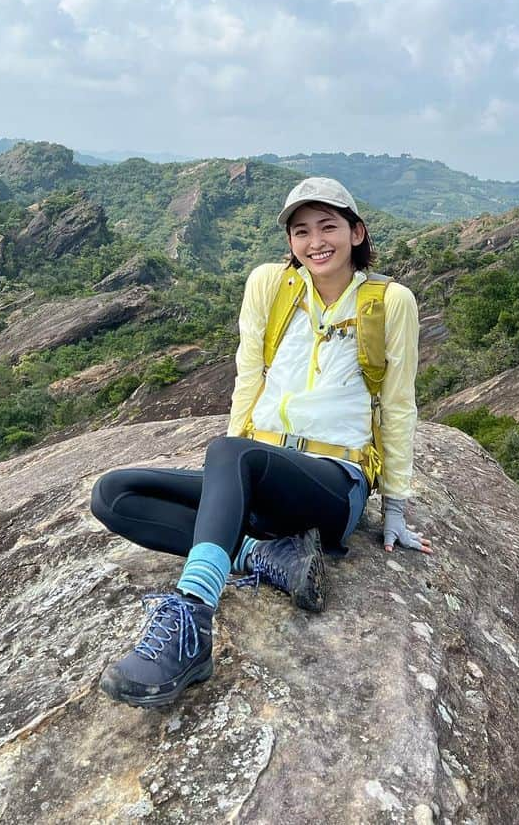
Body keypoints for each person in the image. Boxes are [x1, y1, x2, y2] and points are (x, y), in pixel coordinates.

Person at [90, 175, 431, 709]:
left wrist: (396, 509)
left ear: (357, 232)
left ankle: (192, 619)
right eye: (301, 231)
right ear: (290, 244)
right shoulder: (270, 286)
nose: (316, 241)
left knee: (232, 453)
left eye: (328, 227)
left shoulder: (390, 302)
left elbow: (399, 402)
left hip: (331, 482)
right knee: (113, 494)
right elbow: (249, 374)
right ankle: (264, 555)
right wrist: (229, 486)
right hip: (260, 470)